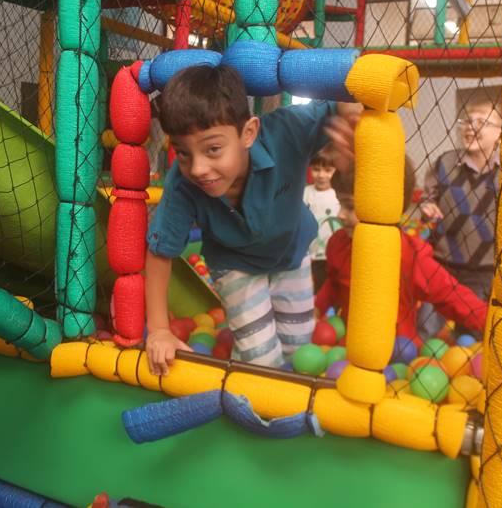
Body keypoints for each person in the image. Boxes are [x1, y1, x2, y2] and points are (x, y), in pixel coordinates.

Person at [144, 64, 358, 375]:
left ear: (248, 133)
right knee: (260, 359)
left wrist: (351, 112)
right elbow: (160, 252)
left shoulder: (288, 132)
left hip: (291, 251)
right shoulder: (182, 183)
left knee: (299, 349)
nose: (198, 168)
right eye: (183, 153)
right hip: (235, 263)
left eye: (213, 149)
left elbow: (343, 95)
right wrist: (160, 330)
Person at [314, 158, 488, 345]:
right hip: (348, 348)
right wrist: (316, 310)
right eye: (340, 204)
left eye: (350, 207)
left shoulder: (408, 255)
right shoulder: (339, 244)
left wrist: (492, 324)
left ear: (385, 208)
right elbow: (334, 283)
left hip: (398, 352)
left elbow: (451, 295)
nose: (340, 214)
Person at [417, 99, 502, 338]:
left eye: (482, 122)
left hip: (483, 271)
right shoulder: (444, 162)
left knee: (472, 336)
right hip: (441, 265)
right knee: (425, 332)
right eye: (466, 121)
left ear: (500, 133)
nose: (471, 127)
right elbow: (427, 197)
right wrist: (427, 206)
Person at [303, 151, 340, 292]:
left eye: (328, 170)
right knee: (312, 290)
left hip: (331, 254)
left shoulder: (337, 195)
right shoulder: (305, 193)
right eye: (316, 169)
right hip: (310, 254)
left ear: (336, 171)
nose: (321, 175)